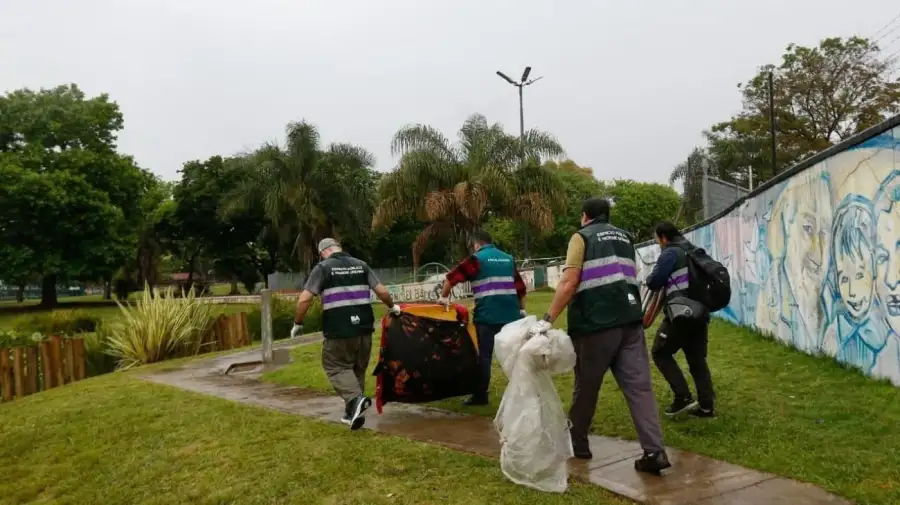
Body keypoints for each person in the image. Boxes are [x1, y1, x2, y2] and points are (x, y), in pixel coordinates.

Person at [536, 197, 670, 474]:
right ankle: (654, 451)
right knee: (640, 389)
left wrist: (548, 318)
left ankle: (579, 443)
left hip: (596, 324)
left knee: (586, 386)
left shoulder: (580, 237)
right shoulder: (625, 237)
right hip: (630, 322)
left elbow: (570, 281)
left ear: (585, 216)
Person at [291, 238, 401, 430]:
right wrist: (392, 307)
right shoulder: (361, 265)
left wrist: (298, 323)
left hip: (338, 330)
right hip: (364, 329)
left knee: (335, 366)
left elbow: (304, 300)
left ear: (323, 251)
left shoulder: (323, 268)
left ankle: (354, 400)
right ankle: (352, 412)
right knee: (356, 369)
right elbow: (382, 291)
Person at [438, 230, 527, 406]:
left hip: (487, 317)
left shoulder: (477, 259)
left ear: (476, 244)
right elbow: (520, 288)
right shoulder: (508, 258)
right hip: (511, 316)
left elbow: (451, 278)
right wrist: (522, 309)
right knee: (515, 355)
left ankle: (480, 395)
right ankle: (522, 393)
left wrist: (443, 297)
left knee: (483, 357)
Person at [646, 222, 716, 419]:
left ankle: (683, 397)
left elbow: (655, 281)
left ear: (663, 237)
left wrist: (651, 276)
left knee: (660, 352)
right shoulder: (694, 251)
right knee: (697, 360)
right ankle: (706, 406)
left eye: (656, 238)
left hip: (680, 314)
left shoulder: (670, 253)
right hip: (700, 313)